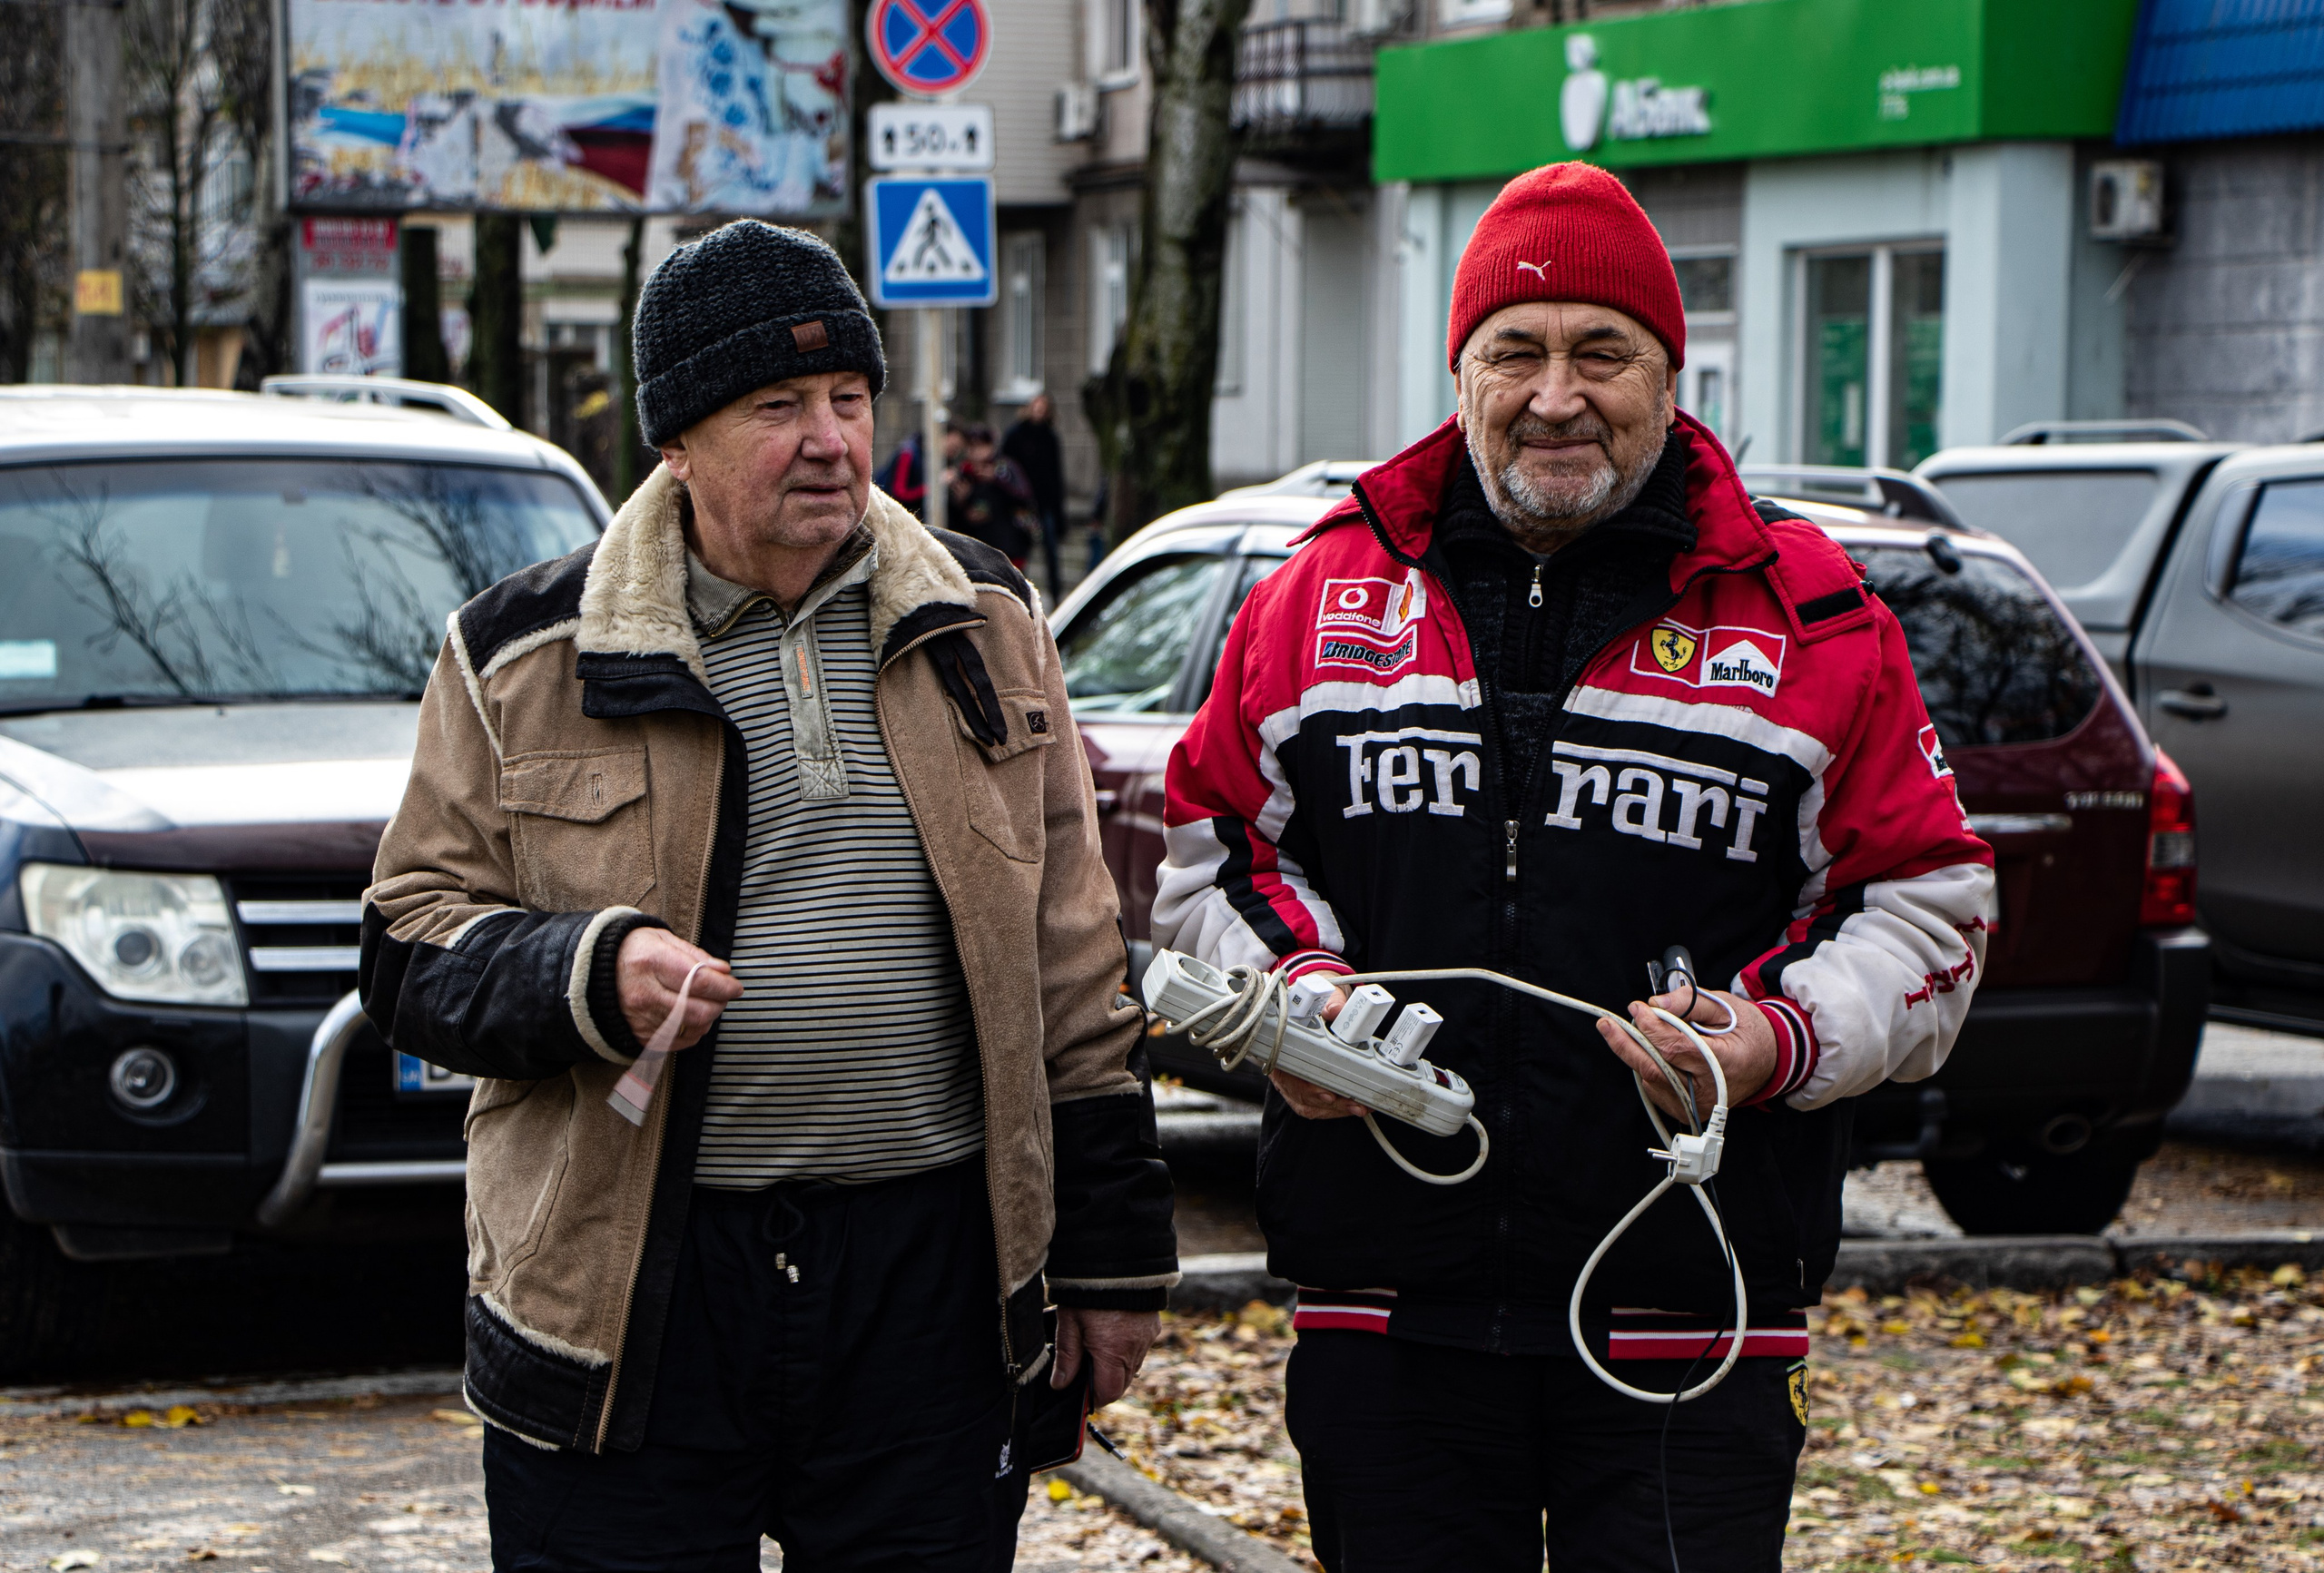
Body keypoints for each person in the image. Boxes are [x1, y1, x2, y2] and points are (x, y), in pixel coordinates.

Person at [1154, 163, 1994, 1571]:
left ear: (1671, 376)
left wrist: (1775, 1041)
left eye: (1602, 351)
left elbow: (1928, 905)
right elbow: (1209, 855)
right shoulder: (1314, 593)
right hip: (1388, 1311)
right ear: (1461, 374)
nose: (1557, 394)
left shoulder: (1816, 614)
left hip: (1692, 1309)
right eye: (1516, 353)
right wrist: (1291, 1007)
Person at [361, 220, 1177, 1572]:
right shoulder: (520, 654)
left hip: (928, 1280)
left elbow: (1075, 967)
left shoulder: (984, 619)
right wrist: (586, 974)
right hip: (632, 1294)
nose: (832, 441)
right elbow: (406, 947)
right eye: (778, 407)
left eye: (850, 400)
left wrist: (1110, 1263)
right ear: (676, 441)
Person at [1001, 392, 1068, 599]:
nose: (1039, 411)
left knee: (1051, 552)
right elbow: (1007, 469)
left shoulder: (1050, 437)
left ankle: (1056, 595)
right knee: (1022, 553)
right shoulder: (1016, 435)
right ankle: (1020, 595)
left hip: (1045, 504)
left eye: (1043, 407)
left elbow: (1056, 476)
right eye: (1036, 406)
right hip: (1024, 505)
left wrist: (1058, 513)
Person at [950, 424, 1036, 568]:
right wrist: (964, 502)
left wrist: (997, 481)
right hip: (976, 545)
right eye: (972, 446)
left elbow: (1024, 498)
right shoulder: (964, 472)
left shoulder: (1004, 468)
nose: (977, 452)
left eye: (982, 446)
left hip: (1008, 544)